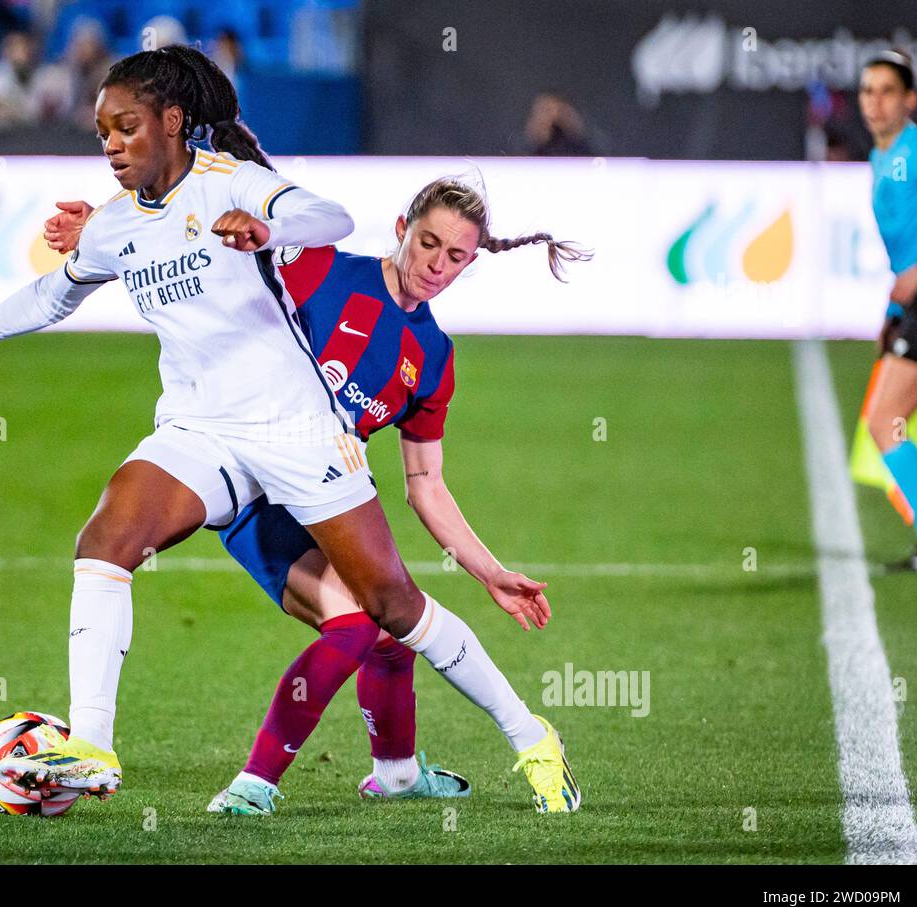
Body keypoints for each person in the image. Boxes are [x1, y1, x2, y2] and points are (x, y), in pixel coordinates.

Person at [0, 45, 579, 815]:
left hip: (294, 427)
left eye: (125, 127)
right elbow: (48, 298)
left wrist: (265, 227)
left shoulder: (230, 183)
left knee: (393, 609)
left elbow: (328, 217)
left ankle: (530, 734)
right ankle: (93, 745)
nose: (109, 144)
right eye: (102, 131)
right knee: (106, 540)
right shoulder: (114, 227)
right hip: (198, 429)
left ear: (172, 122)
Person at [44, 178, 591, 813]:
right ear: (400, 229)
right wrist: (106, 227)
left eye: (457, 257)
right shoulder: (317, 268)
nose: (437, 267)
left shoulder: (433, 357)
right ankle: (257, 784)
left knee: (386, 624)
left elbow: (426, 486)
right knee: (362, 621)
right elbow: (202, 240)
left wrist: (491, 572)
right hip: (251, 486)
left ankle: (400, 774)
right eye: (429, 244)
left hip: (329, 497)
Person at [860, 49, 917, 572]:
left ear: (910, 99)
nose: (875, 102)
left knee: (885, 421)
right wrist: (892, 313)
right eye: (868, 91)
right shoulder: (882, 156)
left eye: (887, 90)